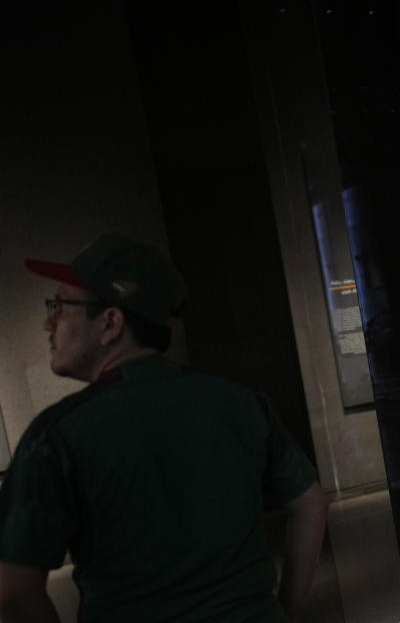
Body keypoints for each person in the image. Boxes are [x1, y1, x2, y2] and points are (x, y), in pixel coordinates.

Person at [0, 234, 329, 622]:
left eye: (60, 306)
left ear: (110, 323)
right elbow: (311, 503)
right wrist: (284, 610)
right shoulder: (242, 403)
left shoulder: (57, 435)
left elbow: (13, 591)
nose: (48, 323)